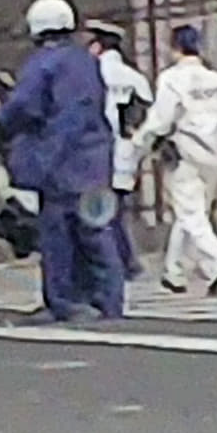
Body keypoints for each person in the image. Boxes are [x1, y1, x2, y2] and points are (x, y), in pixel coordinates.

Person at [0, 0, 125, 322]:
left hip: (59, 163)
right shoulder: (87, 61)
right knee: (97, 232)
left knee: (58, 234)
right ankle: (109, 302)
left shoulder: (42, 64)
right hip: (96, 160)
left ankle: (64, 302)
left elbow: (23, 108)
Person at [132, 24, 217, 296]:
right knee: (192, 214)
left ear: (174, 47)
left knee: (191, 215)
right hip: (214, 155)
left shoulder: (171, 79)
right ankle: (174, 272)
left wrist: (138, 146)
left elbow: (160, 121)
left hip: (184, 155)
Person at [85, 19, 153, 280]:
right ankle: (125, 260)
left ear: (98, 45)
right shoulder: (134, 77)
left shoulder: (91, 73)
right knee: (115, 208)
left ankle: (121, 261)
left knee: (100, 213)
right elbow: (147, 115)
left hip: (99, 149)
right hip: (127, 152)